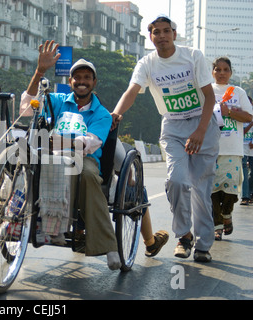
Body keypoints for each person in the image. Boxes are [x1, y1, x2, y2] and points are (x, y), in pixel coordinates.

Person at [111, 16, 220, 262]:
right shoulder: (147, 64)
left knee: (201, 190)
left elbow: (209, 98)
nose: (161, 36)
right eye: (156, 32)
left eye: (165, 31)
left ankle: (203, 245)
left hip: (202, 123)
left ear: (174, 33)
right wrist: (116, 113)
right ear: (151, 37)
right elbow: (132, 91)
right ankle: (184, 236)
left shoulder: (193, 56)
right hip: (172, 126)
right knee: (177, 181)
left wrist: (201, 131)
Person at [19, 40, 122, 270]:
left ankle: (109, 244)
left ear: (94, 82)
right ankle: (26, 222)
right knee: (26, 166)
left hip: (84, 160)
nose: (82, 82)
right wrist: (40, 71)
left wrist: (60, 142)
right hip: (51, 155)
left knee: (83, 174)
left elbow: (90, 143)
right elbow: (26, 109)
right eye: (78, 78)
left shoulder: (102, 114)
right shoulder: (56, 101)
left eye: (87, 78)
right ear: (70, 81)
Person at [211, 58, 253, 241]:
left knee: (229, 191)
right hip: (209, 149)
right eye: (217, 69)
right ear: (212, 71)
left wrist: (228, 112)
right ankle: (217, 226)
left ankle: (227, 214)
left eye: (225, 69)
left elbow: (249, 116)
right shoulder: (206, 91)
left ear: (231, 72)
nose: (221, 73)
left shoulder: (238, 92)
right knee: (212, 191)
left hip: (232, 149)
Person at [113, 139, 169, 257]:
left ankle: (79, 231)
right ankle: (150, 242)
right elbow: (123, 169)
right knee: (139, 191)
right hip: (101, 188)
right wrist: (130, 181)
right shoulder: (103, 126)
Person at [241, 96, 253, 205]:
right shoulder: (240, 115)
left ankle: (251, 194)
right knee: (244, 171)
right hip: (242, 147)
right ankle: (245, 196)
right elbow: (242, 132)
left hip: (252, 147)